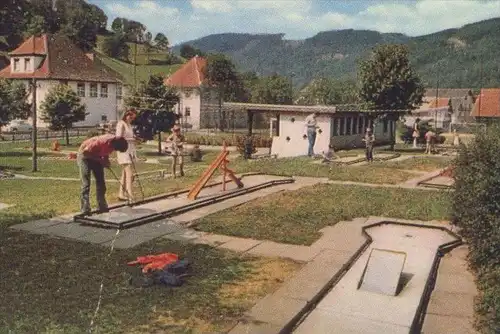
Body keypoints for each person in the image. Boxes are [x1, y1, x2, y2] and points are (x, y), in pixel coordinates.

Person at [77, 134, 128, 214]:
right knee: (86, 184)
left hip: (96, 157)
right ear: (115, 144)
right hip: (84, 157)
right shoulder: (101, 141)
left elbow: (105, 152)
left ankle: (102, 206)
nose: (114, 150)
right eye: (116, 149)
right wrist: (101, 160)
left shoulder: (113, 144)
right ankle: (85, 209)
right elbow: (85, 152)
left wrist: (106, 160)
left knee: (101, 183)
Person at [115, 108, 138, 201]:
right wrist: (131, 140)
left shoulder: (129, 125)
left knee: (125, 173)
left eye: (133, 118)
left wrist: (135, 138)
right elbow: (118, 137)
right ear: (126, 115)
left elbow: (128, 136)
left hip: (129, 150)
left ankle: (121, 193)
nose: (132, 119)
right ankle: (130, 194)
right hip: (123, 150)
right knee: (129, 173)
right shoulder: (121, 124)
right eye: (131, 117)